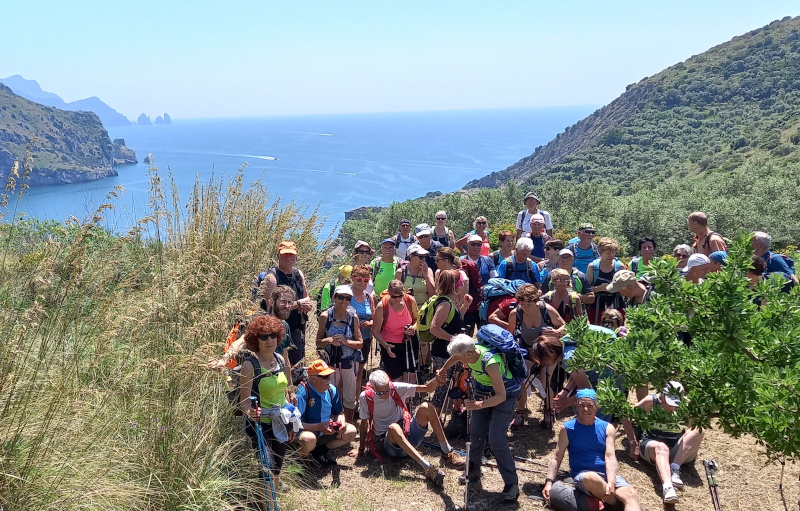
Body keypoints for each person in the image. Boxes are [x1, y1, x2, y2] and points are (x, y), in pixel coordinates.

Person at [439, 330, 523, 502]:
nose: (459, 362)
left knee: (496, 439)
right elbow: (455, 357)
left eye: (461, 359)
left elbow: (501, 396)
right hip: (481, 391)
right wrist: (442, 370)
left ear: (469, 354)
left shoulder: (490, 362)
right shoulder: (469, 351)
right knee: (476, 433)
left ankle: (511, 484)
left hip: (504, 396)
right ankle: (474, 468)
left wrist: (479, 404)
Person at [351, 369, 465, 486]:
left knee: (426, 407)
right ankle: (428, 467)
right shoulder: (365, 397)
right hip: (392, 444)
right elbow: (364, 424)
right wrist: (361, 449)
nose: (386, 394)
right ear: (373, 389)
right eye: (381, 393)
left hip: (408, 432)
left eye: (388, 389)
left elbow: (427, 388)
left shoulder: (396, 388)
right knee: (394, 428)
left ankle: (447, 452)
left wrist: (437, 380)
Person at [543, 389, 642, 511]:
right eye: (581, 405)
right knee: (592, 478)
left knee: (631, 495)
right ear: (576, 406)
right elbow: (557, 457)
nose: (585, 409)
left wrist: (611, 481)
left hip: (606, 475)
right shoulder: (567, 428)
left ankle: (614, 502)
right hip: (583, 476)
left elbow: (610, 457)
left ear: (597, 406)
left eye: (590, 405)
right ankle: (614, 503)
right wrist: (549, 481)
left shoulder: (607, 428)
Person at [239, 315, 295, 510]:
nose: (269, 340)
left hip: (281, 421)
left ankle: (272, 503)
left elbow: (286, 388)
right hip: (260, 424)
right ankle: (268, 507)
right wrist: (250, 412)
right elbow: (243, 403)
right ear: (256, 340)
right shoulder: (250, 366)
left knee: (277, 469)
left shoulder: (280, 359)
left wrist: (290, 405)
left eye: (273, 336)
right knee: (266, 470)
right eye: (264, 337)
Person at [629, 382, 703, 504]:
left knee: (699, 429)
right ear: (662, 396)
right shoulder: (651, 401)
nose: (672, 407)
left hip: (675, 450)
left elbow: (695, 425)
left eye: (675, 404)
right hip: (653, 446)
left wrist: (689, 445)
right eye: (669, 402)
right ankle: (668, 487)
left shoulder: (687, 405)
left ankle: (675, 468)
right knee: (661, 447)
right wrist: (633, 443)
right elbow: (626, 417)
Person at [209, 285, 296, 383]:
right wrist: (224, 360)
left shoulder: (285, 326)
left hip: (275, 380)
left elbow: (285, 357)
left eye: (290, 303)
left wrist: (290, 387)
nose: (287, 306)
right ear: (271, 302)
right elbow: (241, 341)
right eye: (283, 301)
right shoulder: (258, 322)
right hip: (254, 377)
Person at [508, 284, 565, 428]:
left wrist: (556, 333)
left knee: (544, 381)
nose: (526, 306)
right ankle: (520, 412)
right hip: (527, 350)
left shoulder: (547, 310)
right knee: (523, 380)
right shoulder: (516, 314)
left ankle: (549, 411)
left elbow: (565, 326)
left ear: (536, 300)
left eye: (529, 303)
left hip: (547, 350)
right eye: (523, 303)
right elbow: (510, 335)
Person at [316, 285, 364, 424]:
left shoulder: (353, 317)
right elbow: (318, 342)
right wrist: (329, 340)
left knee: (349, 395)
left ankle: (347, 424)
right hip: (329, 361)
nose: (344, 301)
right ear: (334, 297)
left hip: (348, 361)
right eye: (341, 297)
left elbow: (360, 343)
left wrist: (345, 342)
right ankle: (329, 423)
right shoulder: (326, 316)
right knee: (329, 392)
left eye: (347, 298)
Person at [296, 359, 358, 466]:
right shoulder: (302, 392)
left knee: (351, 431)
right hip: (307, 433)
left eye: (329, 375)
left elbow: (339, 412)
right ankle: (298, 461)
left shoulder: (331, 390)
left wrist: (340, 422)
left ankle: (319, 451)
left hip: (326, 430)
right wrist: (319, 427)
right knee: (308, 439)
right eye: (325, 377)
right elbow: (296, 424)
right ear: (312, 378)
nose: (329, 379)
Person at [262, 240, 314, 367]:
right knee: (279, 365)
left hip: (297, 328)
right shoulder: (272, 278)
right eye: (285, 254)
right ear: (278, 255)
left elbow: (306, 298)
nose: (288, 258)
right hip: (277, 330)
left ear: (296, 257)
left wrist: (305, 305)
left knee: (297, 366)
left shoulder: (298, 274)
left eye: (291, 255)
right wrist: (298, 304)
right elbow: (271, 307)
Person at [429, 270, 472, 413]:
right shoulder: (445, 303)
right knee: (442, 386)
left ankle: (457, 408)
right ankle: (433, 419)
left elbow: (454, 321)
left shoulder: (451, 302)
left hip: (452, 351)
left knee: (456, 381)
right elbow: (434, 329)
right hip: (443, 352)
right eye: (463, 283)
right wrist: (454, 340)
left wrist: (465, 306)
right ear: (457, 286)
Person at [372, 280, 419, 383]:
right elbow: (375, 331)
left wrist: (414, 327)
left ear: (404, 293)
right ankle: (397, 399)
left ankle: (406, 399)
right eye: (394, 297)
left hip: (409, 342)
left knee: (410, 378)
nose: (397, 299)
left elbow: (417, 319)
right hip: (390, 344)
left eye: (400, 296)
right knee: (396, 380)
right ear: (389, 293)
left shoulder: (410, 301)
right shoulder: (382, 306)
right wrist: (385, 345)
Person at [585, 237, 626, 325]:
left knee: (618, 329)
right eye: (608, 253)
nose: (611, 255)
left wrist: (615, 288)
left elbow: (627, 290)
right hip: (596, 306)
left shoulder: (620, 267)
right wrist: (598, 289)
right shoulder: (593, 267)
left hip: (616, 304)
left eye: (613, 252)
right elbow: (586, 290)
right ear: (600, 252)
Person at [351, 265, 377, 388]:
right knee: (348, 371)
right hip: (349, 338)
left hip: (365, 338)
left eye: (366, 280)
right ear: (353, 279)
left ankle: (355, 400)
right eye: (359, 280)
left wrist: (369, 323)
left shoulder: (368, 297)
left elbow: (374, 318)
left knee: (360, 371)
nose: (362, 283)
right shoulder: (347, 295)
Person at [397, 244, 436, 308]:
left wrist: (426, 275)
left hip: (424, 310)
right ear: (411, 256)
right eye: (421, 257)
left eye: (424, 257)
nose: (423, 259)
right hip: (406, 309)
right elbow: (395, 294)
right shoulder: (401, 272)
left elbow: (433, 294)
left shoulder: (428, 271)